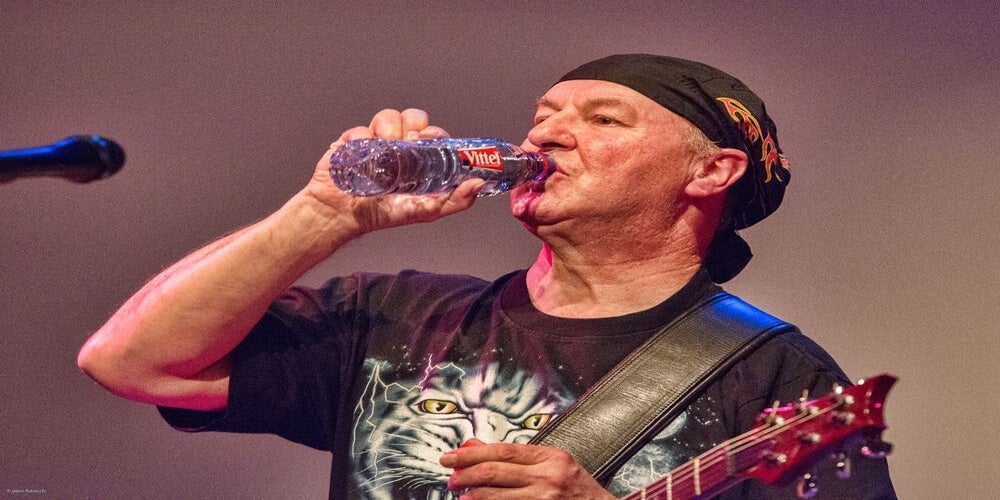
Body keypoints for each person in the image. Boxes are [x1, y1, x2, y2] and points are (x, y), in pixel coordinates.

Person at [78, 54, 895, 499]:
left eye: (602, 119)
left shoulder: (777, 377)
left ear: (712, 172)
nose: (546, 137)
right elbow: (134, 362)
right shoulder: (397, 315)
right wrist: (321, 215)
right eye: (544, 118)